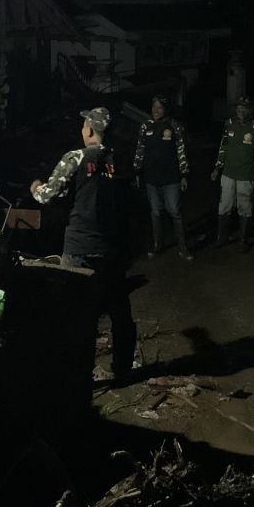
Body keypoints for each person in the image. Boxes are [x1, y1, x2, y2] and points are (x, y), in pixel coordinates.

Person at [31, 107, 137, 378]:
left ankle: (77, 376)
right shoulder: (118, 159)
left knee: (74, 311)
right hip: (112, 246)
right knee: (118, 310)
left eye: (83, 125)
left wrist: (35, 187)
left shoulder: (76, 157)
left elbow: (46, 197)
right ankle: (122, 370)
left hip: (80, 246)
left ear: (89, 129)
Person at [133, 94, 192, 260]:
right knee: (156, 212)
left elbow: (181, 152)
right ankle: (158, 245)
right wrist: (136, 170)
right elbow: (140, 149)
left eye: (159, 107)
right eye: (154, 107)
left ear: (166, 109)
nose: (155, 110)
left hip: (171, 178)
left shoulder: (175, 126)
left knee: (174, 210)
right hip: (151, 178)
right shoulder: (145, 126)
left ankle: (183, 247)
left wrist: (184, 174)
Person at [211, 96, 254, 252]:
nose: (241, 111)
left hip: (246, 176)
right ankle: (221, 238)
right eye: (239, 108)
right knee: (224, 206)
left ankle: (243, 240)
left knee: (245, 208)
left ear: (250, 110)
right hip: (228, 174)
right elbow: (223, 147)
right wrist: (217, 168)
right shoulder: (229, 124)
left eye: (244, 108)